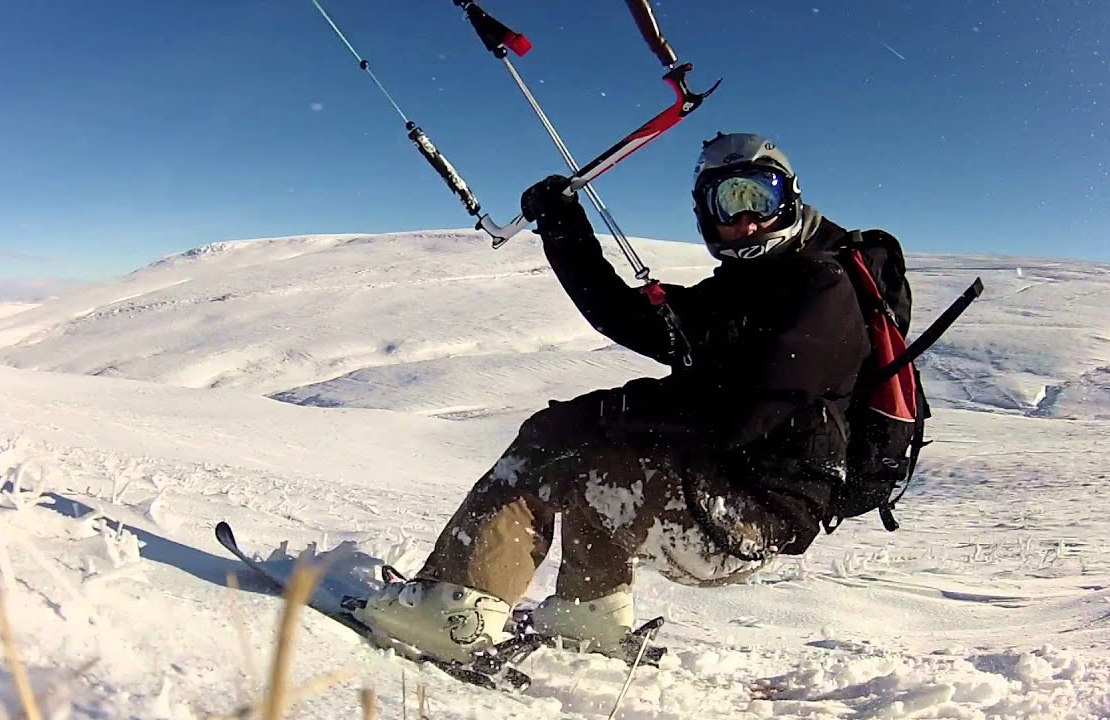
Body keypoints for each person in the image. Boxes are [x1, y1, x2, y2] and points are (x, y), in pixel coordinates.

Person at [351, 132, 873, 664]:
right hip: (730, 497)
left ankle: (449, 612)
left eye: (760, 197)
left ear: (790, 197)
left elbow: (739, 414)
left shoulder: (819, 289)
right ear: (704, 213)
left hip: (744, 517)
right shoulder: (746, 289)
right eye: (727, 202)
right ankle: (588, 616)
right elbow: (627, 316)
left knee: (553, 445)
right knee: (595, 457)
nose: (746, 221)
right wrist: (563, 228)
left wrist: (604, 414)